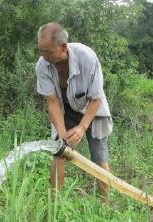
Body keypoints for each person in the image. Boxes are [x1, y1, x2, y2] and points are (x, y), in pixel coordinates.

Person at [35, 22, 113, 203]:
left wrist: (82, 127)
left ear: (63, 47)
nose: (43, 56)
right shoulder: (42, 65)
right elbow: (52, 101)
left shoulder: (87, 58)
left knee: (99, 157)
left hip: (93, 109)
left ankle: (104, 204)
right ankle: (55, 204)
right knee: (59, 152)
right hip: (65, 109)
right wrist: (62, 135)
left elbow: (96, 98)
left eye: (48, 52)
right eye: (41, 51)